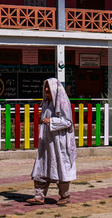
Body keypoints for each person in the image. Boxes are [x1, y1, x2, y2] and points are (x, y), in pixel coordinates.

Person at [27, 78, 77, 206]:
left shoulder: (62, 102)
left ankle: (65, 196)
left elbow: (68, 121)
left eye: (49, 87)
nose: (47, 90)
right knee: (41, 166)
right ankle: (39, 196)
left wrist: (51, 121)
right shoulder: (46, 102)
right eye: (45, 87)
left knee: (61, 167)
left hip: (59, 142)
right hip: (47, 142)